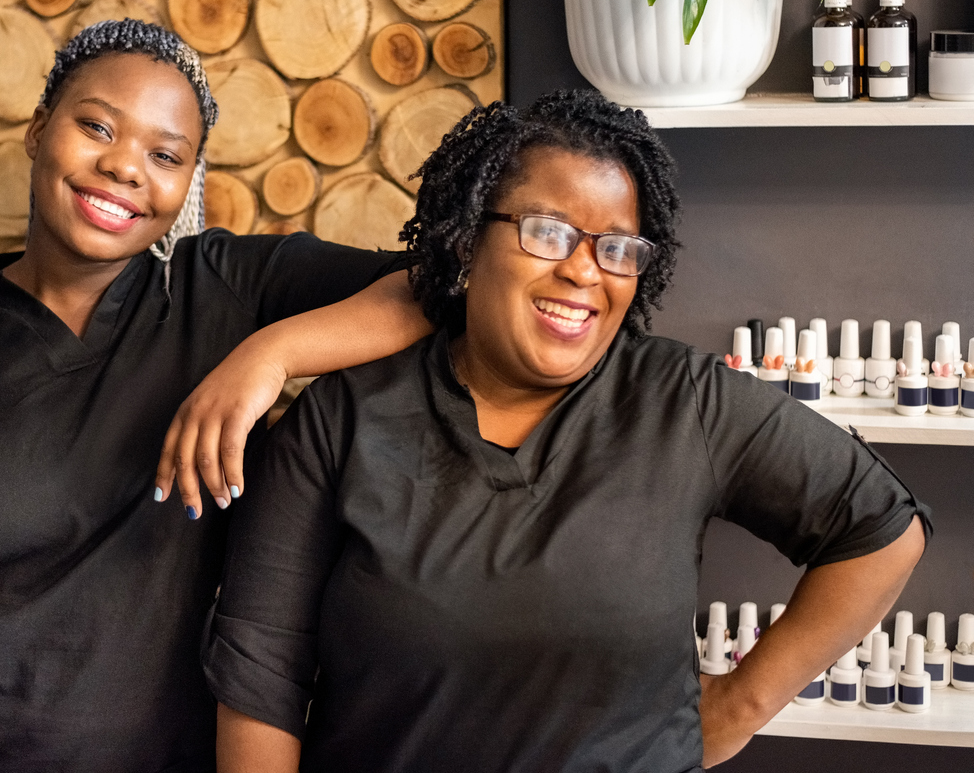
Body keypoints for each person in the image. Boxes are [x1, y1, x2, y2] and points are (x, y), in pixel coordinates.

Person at [204, 91, 931, 772]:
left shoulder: (686, 404)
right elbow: (262, 672)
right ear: (466, 243)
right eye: (548, 233)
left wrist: (741, 704)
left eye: (617, 247)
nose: (586, 272)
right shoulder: (343, 418)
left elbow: (879, 526)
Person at [0, 20, 430, 773]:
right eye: (97, 126)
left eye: (165, 156)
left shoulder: (228, 290)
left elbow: (440, 288)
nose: (124, 167)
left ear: (187, 183)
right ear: (39, 131)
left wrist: (270, 354)